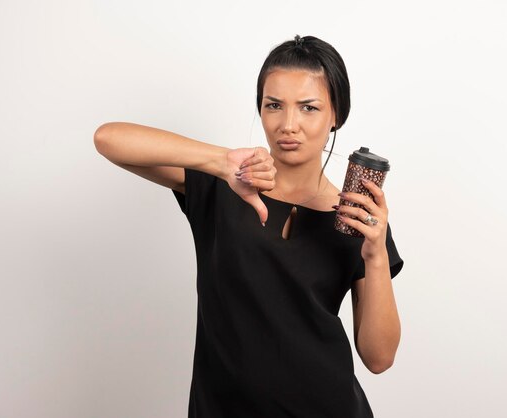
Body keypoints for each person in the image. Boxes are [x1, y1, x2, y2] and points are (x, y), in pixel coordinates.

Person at [94, 34, 404, 418]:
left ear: (335, 115)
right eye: (274, 105)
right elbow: (108, 139)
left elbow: (379, 357)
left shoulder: (356, 218)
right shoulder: (223, 187)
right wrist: (222, 162)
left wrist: (375, 256)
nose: (288, 124)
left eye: (308, 108)